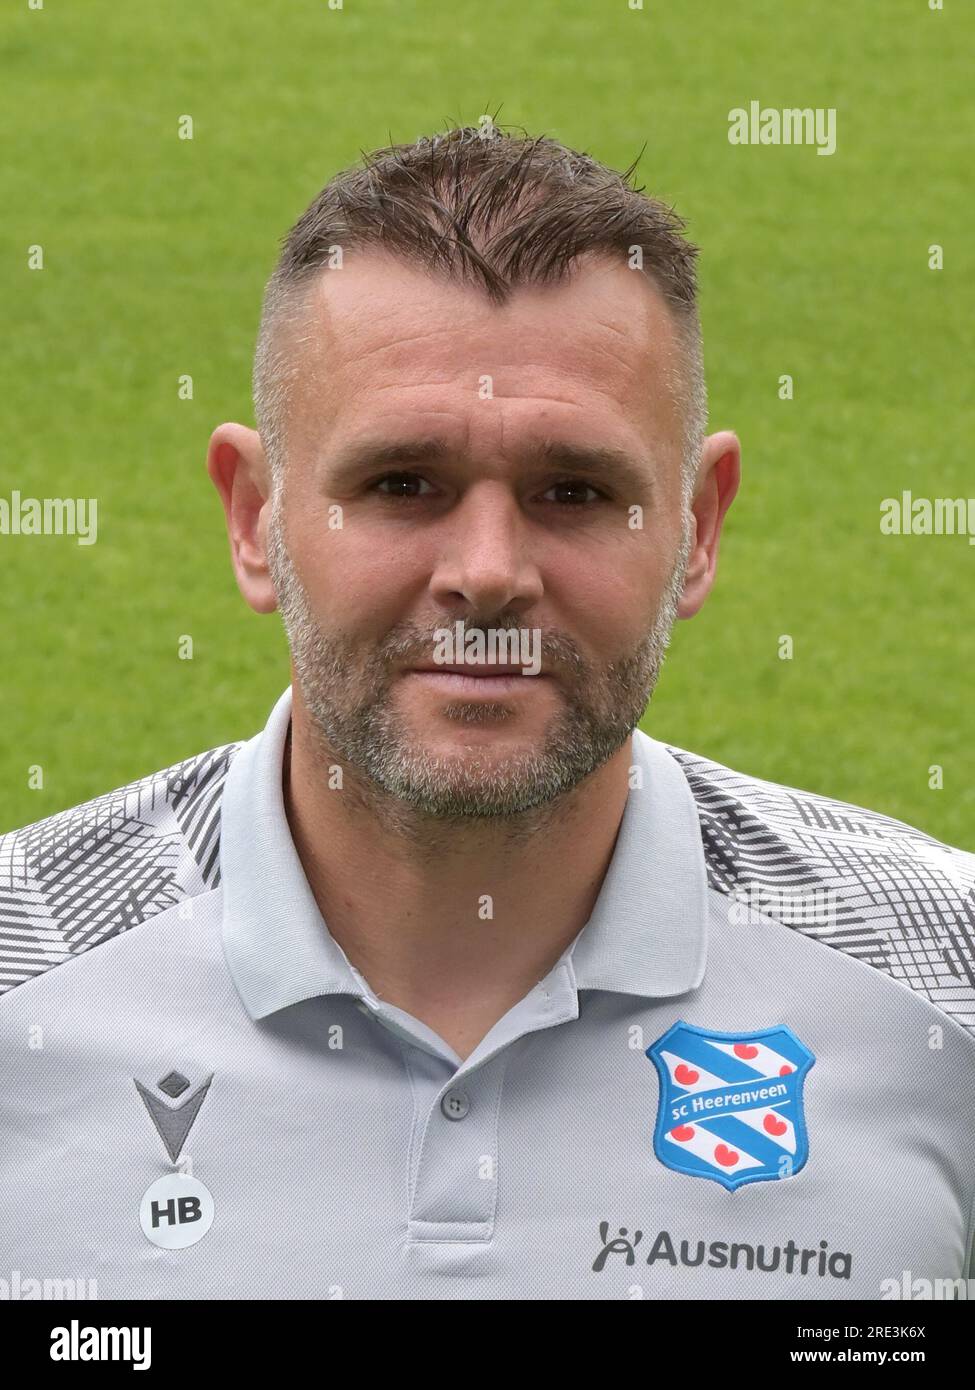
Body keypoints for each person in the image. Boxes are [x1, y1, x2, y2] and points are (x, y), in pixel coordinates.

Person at [2, 126, 973, 1301]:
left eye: (576, 491)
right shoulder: (30, 979)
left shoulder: (944, 986)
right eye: (403, 484)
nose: (489, 570)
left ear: (698, 526)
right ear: (255, 519)